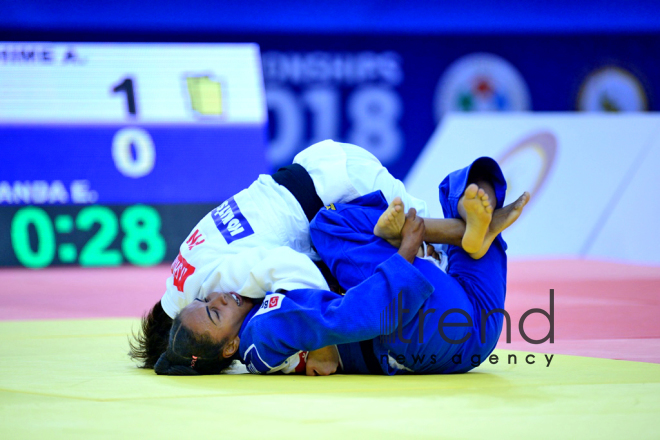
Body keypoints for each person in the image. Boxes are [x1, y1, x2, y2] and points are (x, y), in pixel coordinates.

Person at [153, 157, 529, 376]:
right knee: (328, 225)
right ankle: (431, 231)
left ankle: (472, 229)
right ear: (229, 347)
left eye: (204, 301)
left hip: (476, 339)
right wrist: (404, 256)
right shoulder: (264, 328)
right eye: (214, 313)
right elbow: (344, 317)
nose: (216, 296)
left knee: (465, 193)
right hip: (417, 321)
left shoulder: (254, 337)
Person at [129, 140, 429, 369]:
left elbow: (290, 267)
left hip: (340, 186)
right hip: (320, 170)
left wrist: (321, 342)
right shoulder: (182, 273)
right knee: (419, 241)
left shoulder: (209, 285)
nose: (216, 302)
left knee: (431, 253)